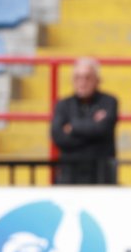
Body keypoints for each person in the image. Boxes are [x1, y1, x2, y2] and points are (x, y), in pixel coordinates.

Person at [50, 57, 118, 185]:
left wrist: (72, 127)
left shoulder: (109, 101)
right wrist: (92, 128)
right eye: (78, 77)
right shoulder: (62, 104)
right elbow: (58, 137)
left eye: (87, 77)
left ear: (97, 80)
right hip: (69, 178)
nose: (82, 82)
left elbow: (103, 130)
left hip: (101, 178)